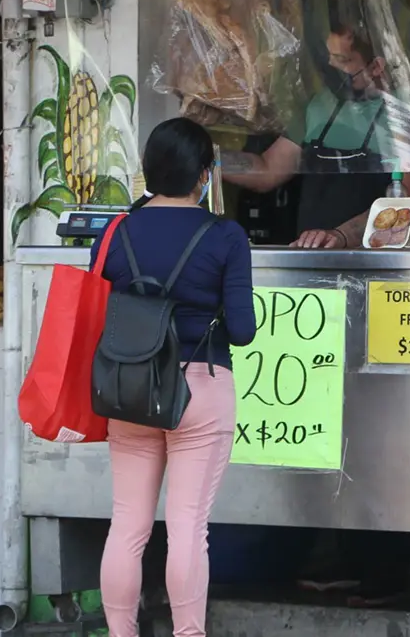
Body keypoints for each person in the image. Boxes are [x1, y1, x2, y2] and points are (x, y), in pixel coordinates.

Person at [93, 118, 256, 637]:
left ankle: (121, 633)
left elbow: (98, 308)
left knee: (128, 525)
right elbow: (244, 330)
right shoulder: (225, 235)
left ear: (149, 171)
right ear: (204, 175)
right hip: (198, 389)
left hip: (130, 387)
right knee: (188, 526)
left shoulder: (117, 231)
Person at [222, 24, 410, 249]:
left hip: (375, 259)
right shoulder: (318, 106)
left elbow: (404, 201)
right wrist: (209, 157)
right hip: (311, 252)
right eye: (330, 58)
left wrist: (341, 236)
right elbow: (267, 170)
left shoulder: (408, 115)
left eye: (342, 60)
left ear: (376, 66)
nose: (331, 67)